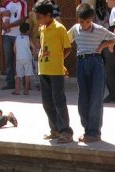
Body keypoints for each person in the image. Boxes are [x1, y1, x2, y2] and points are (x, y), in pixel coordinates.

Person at [67, 3, 115, 143]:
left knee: (96, 97)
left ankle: (94, 132)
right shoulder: (75, 30)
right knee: (83, 98)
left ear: (92, 19)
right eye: (82, 22)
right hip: (81, 63)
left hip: (96, 62)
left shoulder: (99, 29)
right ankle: (87, 130)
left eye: (88, 21)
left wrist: (102, 46)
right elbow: (65, 42)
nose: (85, 25)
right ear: (78, 19)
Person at [34, 0, 74, 144]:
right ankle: (55, 129)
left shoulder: (59, 28)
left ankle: (66, 131)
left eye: (39, 17)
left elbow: (67, 47)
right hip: (43, 70)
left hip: (56, 71)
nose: (37, 20)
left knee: (59, 101)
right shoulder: (42, 28)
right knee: (47, 102)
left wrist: (59, 60)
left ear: (48, 15)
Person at [1, 0, 28, 90]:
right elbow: (0, 15)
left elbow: (23, 19)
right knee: (8, 60)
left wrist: (9, 25)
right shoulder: (6, 3)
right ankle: (10, 83)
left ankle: (25, 82)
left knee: (20, 59)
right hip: (7, 35)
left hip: (18, 35)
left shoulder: (23, 3)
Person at [13, 22, 34, 95]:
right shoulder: (28, 38)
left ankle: (17, 90)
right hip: (27, 57)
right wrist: (32, 53)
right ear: (28, 31)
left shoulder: (17, 38)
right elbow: (33, 47)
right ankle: (26, 90)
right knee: (27, 75)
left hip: (19, 58)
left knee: (18, 75)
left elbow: (14, 49)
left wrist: (18, 54)